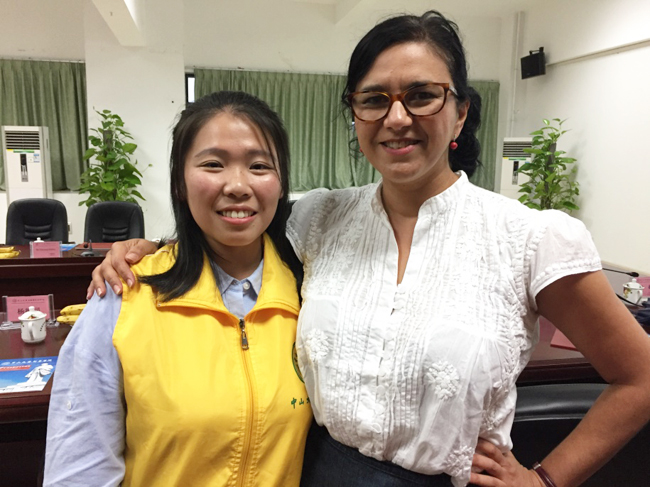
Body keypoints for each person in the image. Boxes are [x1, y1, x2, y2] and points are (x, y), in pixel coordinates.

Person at [88, 11, 650, 487]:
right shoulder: (320, 218)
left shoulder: (528, 237)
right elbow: (231, 227)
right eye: (375, 99)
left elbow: (640, 379)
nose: (397, 118)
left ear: (461, 111)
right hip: (318, 472)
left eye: (423, 96)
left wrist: (545, 480)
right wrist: (147, 248)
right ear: (355, 115)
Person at [45, 91, 312, 486]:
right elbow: (79, 469)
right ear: (179, 184)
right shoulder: (125, 294)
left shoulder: (309, 297)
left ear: (281, 182)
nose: (238, 185)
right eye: (213, 164)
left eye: (259, 166)